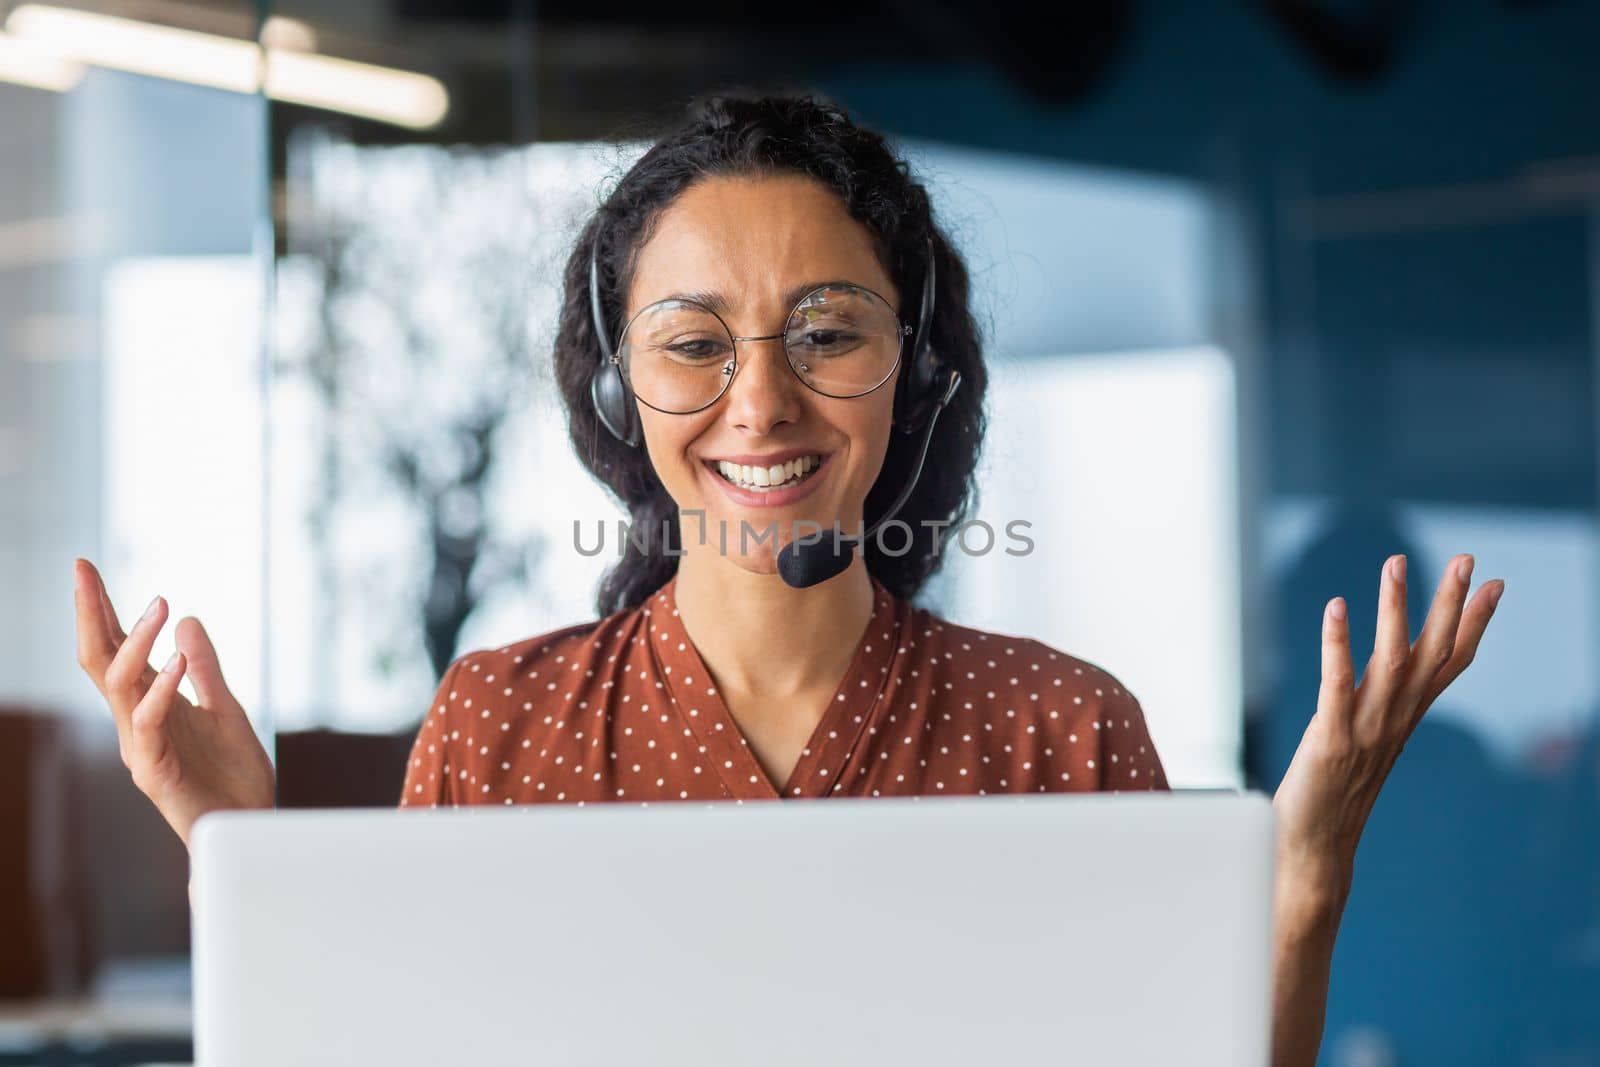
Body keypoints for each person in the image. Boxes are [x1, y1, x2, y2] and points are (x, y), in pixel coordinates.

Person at [71, 93, 1505, 1067]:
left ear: (916, 374)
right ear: (624, 388)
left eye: (828, 334)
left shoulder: (1061, 732)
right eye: (697, 342)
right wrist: (239, 860)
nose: (762, 405)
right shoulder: (499, 725)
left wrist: (1308, 872)